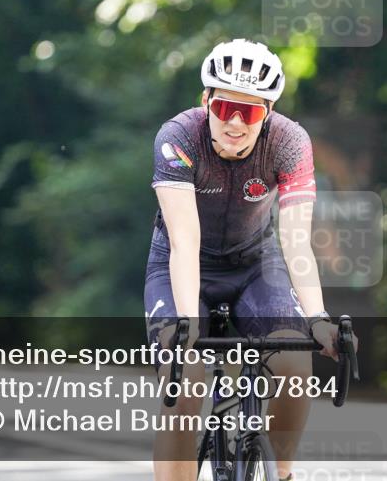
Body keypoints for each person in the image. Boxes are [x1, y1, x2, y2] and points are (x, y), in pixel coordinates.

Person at [145, 38, 356, 481]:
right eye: (225, 109)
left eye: (252, 111)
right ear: (206, 102)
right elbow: (185, 242)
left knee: (296, 368)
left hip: (256, 265)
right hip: (183, 265)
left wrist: (318, 318)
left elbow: (296, 241)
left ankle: (280, 473)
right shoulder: (179, 137)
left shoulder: (289, 142)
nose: (237, 123)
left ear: (269, 112)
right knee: (188, 383)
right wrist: (187, 325)